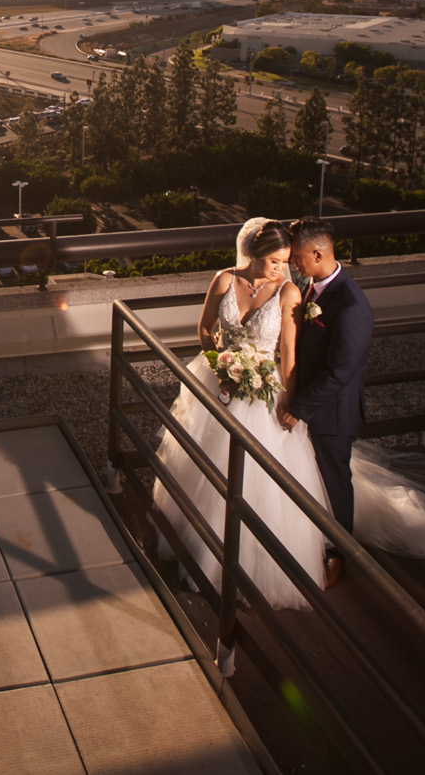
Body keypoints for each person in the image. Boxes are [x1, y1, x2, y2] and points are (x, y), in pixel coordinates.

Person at [153, 218, 329, 610]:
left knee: (255, 477)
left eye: (285, 261)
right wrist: (221, 364)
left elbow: (289, 354)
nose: (282, 268)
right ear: (254, 254)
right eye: (275, 261)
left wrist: (288, 402)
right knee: (207, 466)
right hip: (221, 382)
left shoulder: (288, 293)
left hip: (265, 392)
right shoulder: (222, 280)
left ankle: (253, 565)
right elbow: (203, 329)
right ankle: (204, 550)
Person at [282, 216, 373, 588]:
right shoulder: (310, 286)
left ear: (318, 253)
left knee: (335, 483)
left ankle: (340, 553)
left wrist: (298, 409)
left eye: (298, 257)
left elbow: (340, 373)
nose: (294, 265)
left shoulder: (352, 306)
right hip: (309, 402)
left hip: (332, 414)